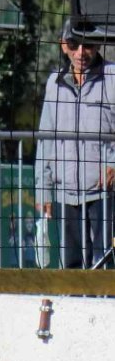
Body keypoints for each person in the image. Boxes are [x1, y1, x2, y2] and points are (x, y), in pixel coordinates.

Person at [38, 18, 115, 268]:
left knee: (105, 264)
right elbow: (45, 138)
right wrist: (43, 189)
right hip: (65, 192)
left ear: (98, 46)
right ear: (63, 45)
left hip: (104, 191)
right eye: (74, 44)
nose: (81, 52)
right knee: (70, 267)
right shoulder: (54, 83)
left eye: (88, 45)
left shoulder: (112, 77)